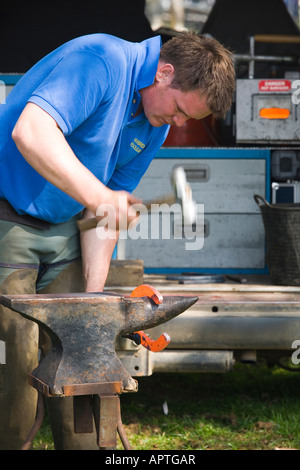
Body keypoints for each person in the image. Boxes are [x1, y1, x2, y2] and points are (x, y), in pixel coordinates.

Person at [0, 31, 235, 449]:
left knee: (83, 352)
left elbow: (101, 217)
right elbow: (31, 132)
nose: (179, 125)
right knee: (15, 361)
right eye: (180, 110)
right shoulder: (100, 60)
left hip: (67, 226)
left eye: (188, 119)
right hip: (7, 212)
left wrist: (93, 303)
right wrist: (101, 197)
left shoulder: (154, 123)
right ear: (163, 73)